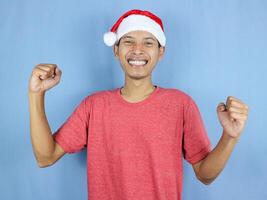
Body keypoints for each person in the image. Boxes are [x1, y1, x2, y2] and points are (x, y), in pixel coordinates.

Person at [28, 9, 249, 200]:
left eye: (148, 42)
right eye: (128, 41)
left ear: (161, 52)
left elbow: (205, 174)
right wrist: (35, 95)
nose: (137, 50)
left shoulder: (181, 104)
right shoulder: (93, 107)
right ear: (116, 50)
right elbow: (45, 157)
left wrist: (230, 137)